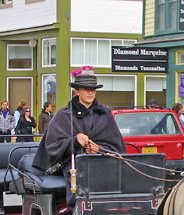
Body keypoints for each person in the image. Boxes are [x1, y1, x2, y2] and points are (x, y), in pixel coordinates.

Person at [33, 66, 125, 203]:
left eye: (93, 89)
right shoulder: (63, 115)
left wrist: (98, 149)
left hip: (103, 164)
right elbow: (52, 145)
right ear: (77, 91)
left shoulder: (105, 113)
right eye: (85, 89)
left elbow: (117, 146)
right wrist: (75, 140)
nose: (90, 92)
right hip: (74, 165)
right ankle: (77, 208)